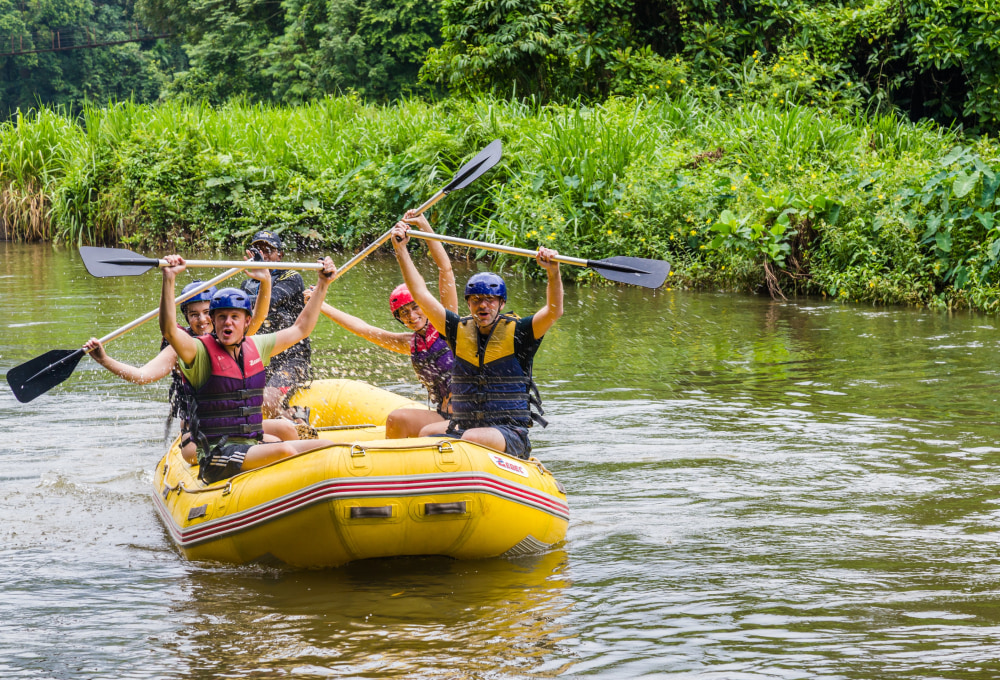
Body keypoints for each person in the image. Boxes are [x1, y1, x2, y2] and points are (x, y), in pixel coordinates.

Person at [84, 271, 300, 464]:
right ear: (186, 317)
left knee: (286, 428)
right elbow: (143, 375)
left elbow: (258, 316)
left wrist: (264, 280)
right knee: (276, 443)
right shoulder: (182, 347)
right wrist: (105, 360)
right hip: (200, 432)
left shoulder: (229, 336)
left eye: (207, 312)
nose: (202, 320)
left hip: (235, 428)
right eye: (194, 314)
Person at [389, 222, 563, 459]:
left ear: (501, 304)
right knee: (427, 436)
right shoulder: (456, 330)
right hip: (465, 427)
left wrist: (553, 273)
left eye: (490, 300)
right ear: (468, 304)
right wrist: (401, 250)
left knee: (472, 438)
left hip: (508, 432)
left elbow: (553, 311)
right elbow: (419, 293)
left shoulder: (520, 332)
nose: (483, 305)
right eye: (476, 300)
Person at [159, 254, 337, 484]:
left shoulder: (256, 346)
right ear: (214, 321)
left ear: (247, 321)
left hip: (251, 443)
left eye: (235, 317)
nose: (228, 323)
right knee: (284, 452)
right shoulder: (198, 351)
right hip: (217, 454)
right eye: (221, 317)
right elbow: (169, 331)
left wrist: (323, 284)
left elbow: (301, 329)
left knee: (330, 447)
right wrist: (169, 279)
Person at [309, 210, 458, 438]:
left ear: (425, 305)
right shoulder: (411, 343)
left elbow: (445, 270)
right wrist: (321, 305)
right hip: (443, 415)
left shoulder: (449, 326)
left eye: (414, 307)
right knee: (395, 419)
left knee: (427, 434)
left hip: (469, 416)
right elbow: (363, 329)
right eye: (403, 313)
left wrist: (423, 227)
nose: (410, 316)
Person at [241, 230, 312, 420]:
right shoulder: (246, 284)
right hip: (261, 357)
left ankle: (295, 415)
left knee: (267, 401)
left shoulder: (291, 277)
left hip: (293, 358)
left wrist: (232, 300)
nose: (262, 254)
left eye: (268, 250)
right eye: (257, 249)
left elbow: (269, 300)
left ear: (279, 255)